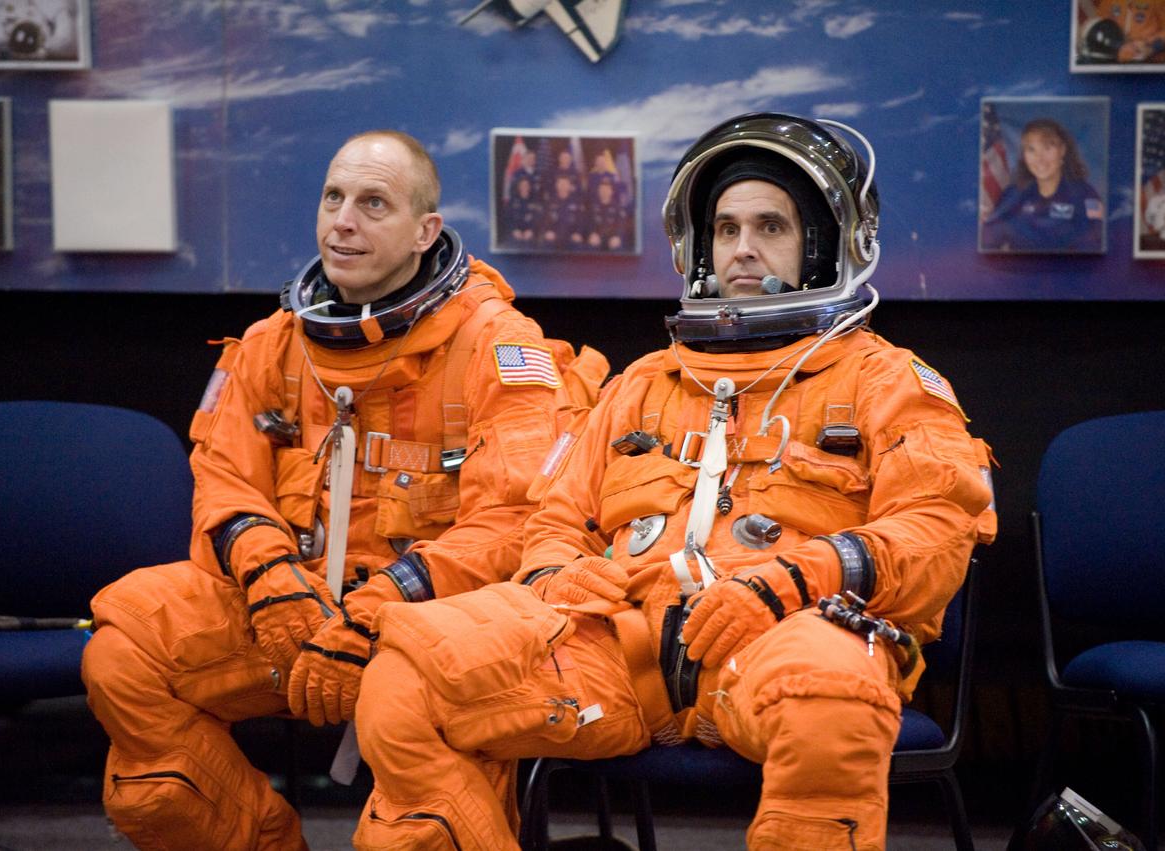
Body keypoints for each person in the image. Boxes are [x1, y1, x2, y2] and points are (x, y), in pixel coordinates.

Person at [352, 112, 997, 850]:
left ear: (829, 245)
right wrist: (558, 576)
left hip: (784, 633)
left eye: (770, 227)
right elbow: (553, 518)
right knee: (408, 678)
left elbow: (936, 531)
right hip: (619, 645)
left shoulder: (890, 384)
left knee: (832, 699)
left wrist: (792, 579)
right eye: (725, 229)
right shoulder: (643, 384)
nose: (742, 250)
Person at [80, 130, 606, 850]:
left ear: (426, 231)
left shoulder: (497, 346)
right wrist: (269, 577)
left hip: (425, 630)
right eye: (333, 198)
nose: (343, 221)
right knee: (126, 649)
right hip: (293, 612)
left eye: (373, 203)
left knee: (415, 832)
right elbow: (224, 478)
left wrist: (381, 608)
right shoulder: (275, 342)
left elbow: (516, 519)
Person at [981, 118, 1104, 253]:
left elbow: (1092, 251)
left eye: (1047, 148)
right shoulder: (1013, 194)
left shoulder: (1085, 195)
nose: (1039, 158)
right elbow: (987, 243)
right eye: (1031, 149)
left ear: (1062, 150)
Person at [1090, 0, 1165, 63]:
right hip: (1114, 61)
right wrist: (1115, 46)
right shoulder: (1108, 1)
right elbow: (1099, 26)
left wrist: (1152, 47)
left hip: (1152, 64)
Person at [585, 173, 630, 251]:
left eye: (606, 189)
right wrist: (592, 233)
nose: (604, 191)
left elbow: (621, 224)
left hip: (612, 238)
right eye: (602, 189)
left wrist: (617, 236)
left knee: (617, 246)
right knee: (591, 244)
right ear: (598, 191)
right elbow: (588, 223)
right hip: (597, 237)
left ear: (611, 191)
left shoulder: (617, 207)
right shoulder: (592, 207)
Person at [500, 172, 541, 248]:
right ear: (518, 187)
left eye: (526, 185)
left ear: (529, 187)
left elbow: (538, 218)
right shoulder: (512, 201)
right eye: (522, 185)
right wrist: (514, 230)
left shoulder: (535, 201)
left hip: (531, 234)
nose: (524, 187)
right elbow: (507, 218)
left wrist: (532, 230)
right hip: (515, 233)